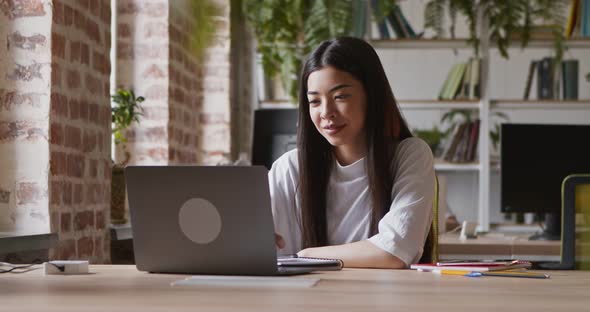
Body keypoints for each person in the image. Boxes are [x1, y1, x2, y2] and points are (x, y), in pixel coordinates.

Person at [269, 37, 435, 269]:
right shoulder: (289, 167)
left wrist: (306, 255)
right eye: (315, 101)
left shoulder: (409, 155)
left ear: (372, 96)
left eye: (340, 97)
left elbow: (395, 251)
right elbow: (266, 251)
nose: (326, 112)